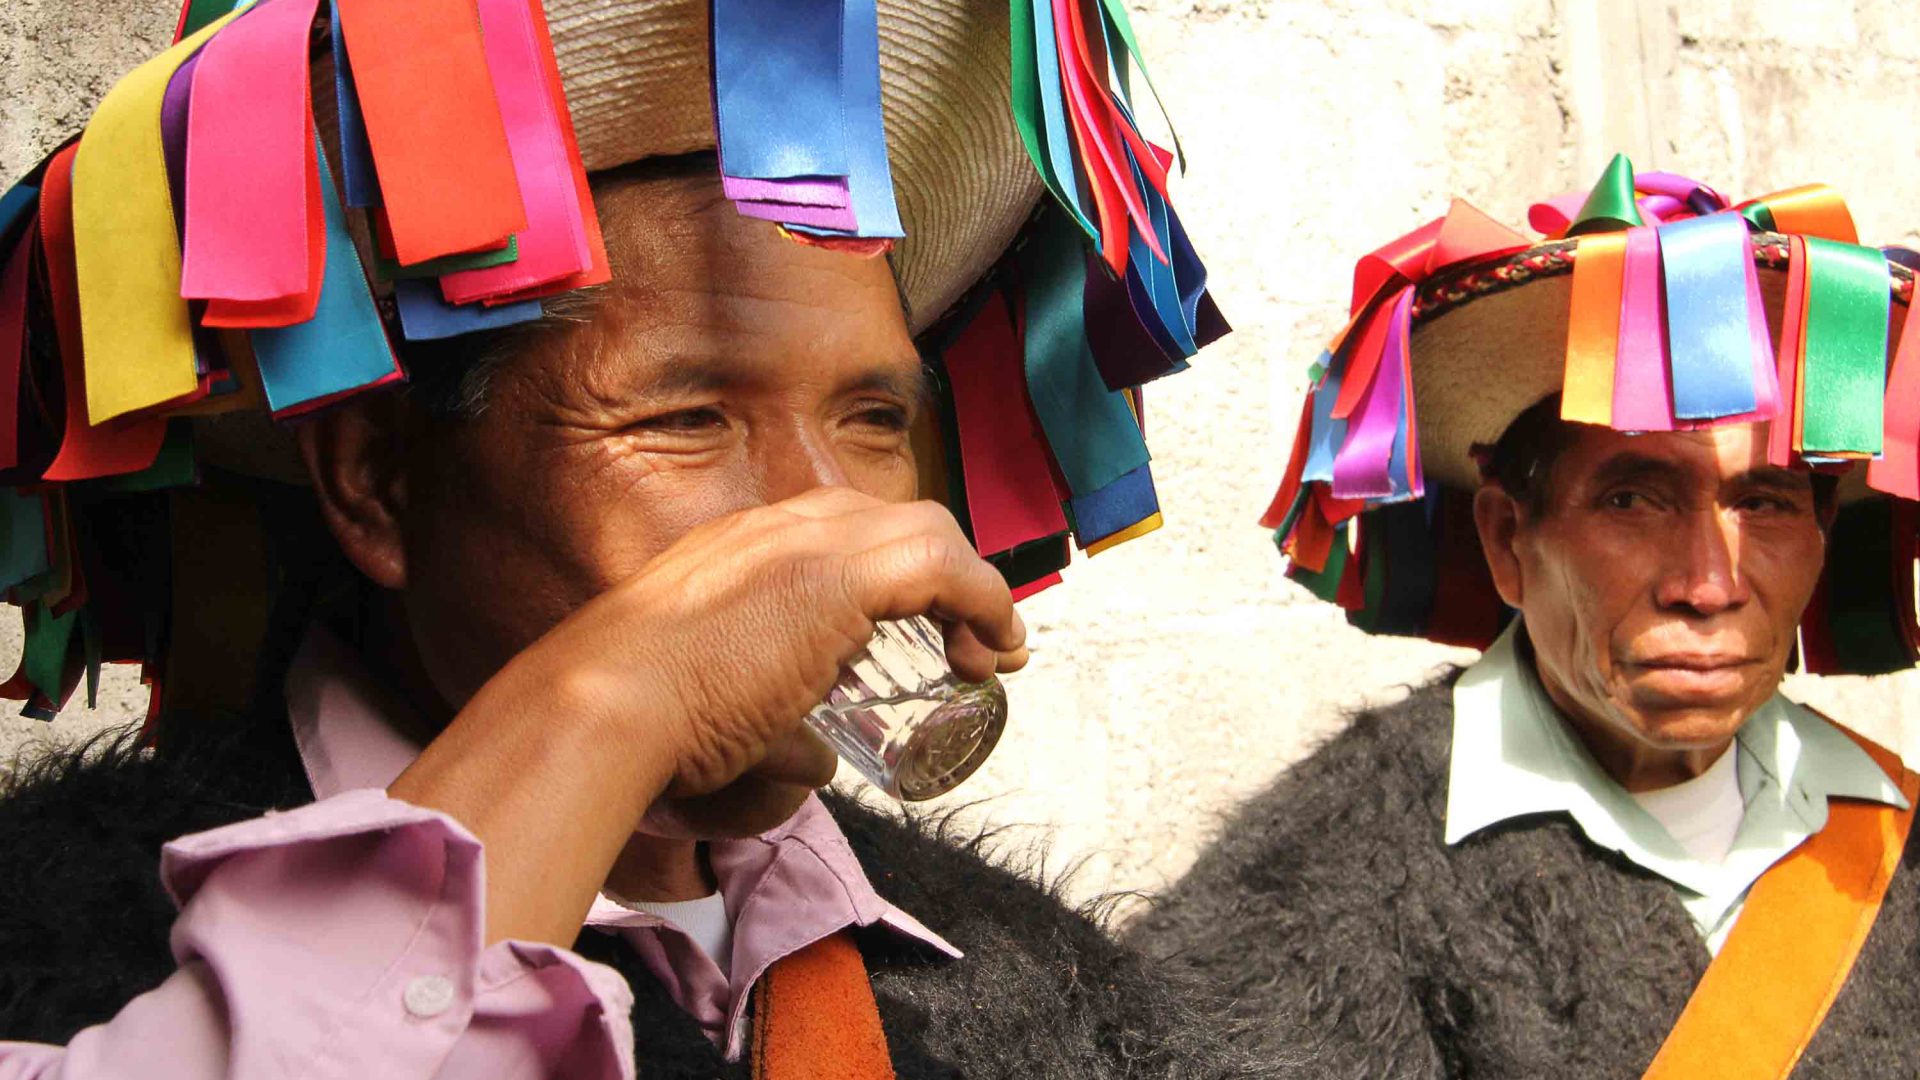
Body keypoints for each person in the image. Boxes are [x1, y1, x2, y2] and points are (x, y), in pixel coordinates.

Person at [0, 1, 1250, 1076]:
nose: (835, 525)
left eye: (874, 418)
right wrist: (616, 700)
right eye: (688, 419)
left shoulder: (1033, 977)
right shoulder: (63, 939)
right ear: (381, 487)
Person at [1130, 158, 1920, 1078]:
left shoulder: (1896, 835)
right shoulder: (1318, 877)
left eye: (1767, 504)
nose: (1709, 584)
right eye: (1632, 500)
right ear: (1509, 538)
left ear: (1824, 539)